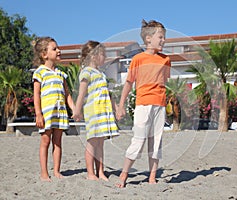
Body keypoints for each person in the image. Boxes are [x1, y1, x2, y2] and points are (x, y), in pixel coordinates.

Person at [116, 19, 171, 188]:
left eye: (164, 37)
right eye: (160, 37)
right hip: (143, 105)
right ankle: (124, 174)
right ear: (148, 39)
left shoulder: (166, 60)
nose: (163, 40)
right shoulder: (138, 59)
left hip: (159, 106)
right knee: (138, 141)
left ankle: (152, 177)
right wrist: (121, 105)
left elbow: (164, 82)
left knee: (156, 143)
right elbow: (128, 83)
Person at [73, 41, 119, 181]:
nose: (105, 57)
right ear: (93, 56)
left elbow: (108, 93)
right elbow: (81, 93)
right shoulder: (86, 72)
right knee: (92, 142)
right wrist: (77, 110)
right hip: (93, 112)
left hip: (103, 112)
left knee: (100, 143)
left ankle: (101, 172)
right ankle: (90, 173)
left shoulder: (101, 74)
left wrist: (115, 108)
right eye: (102, 54)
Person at [32, 37, 75, 182]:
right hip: (47, 113)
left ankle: (56, 170)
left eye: (58, 48)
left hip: (60, 113)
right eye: (55, 48)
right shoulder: (40, 72)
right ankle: (44, 172)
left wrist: (74, 109)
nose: (59, 51)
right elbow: (36, 95)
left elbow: (67, 94)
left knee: (58, 142)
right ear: (44, 54)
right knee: (45, 141)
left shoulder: (61, 74)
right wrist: (38, 114)